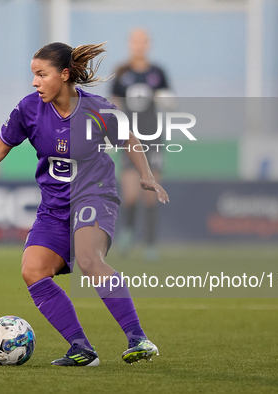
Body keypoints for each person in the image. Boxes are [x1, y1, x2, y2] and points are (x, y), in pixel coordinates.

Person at [0, 42, 169, 366]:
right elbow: (0, 148)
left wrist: (146, 174)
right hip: (54, 206)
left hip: (94, 195)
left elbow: (129, 138)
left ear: (65, 74)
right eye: (33, 75)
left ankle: (138, 338)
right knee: (33, 271)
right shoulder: (29, 109)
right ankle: (81, 348)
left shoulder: (98, 108)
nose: (34, 82)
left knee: (88, 259)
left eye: (41, 74)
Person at [111, 28, 174, 261]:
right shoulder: (121, 73)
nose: (139, 45)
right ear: (130, 44)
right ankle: (127, 233)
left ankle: (150, 245)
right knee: (129, 194)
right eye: (135, 41)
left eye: (143, 41)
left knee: (152, 193)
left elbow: (170, 101)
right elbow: (113, 104)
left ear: (148, 44)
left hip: (153, 138)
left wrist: (167, 100)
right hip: (129, 139)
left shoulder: (158, 73)